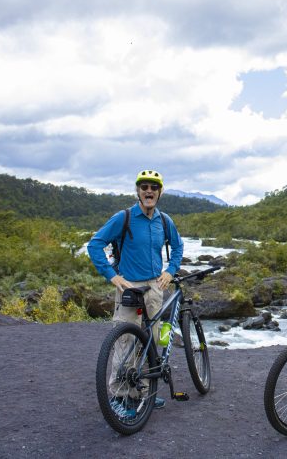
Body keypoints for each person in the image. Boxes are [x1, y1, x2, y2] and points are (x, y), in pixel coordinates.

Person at [88, 169, 184, 412]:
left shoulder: (164, 221)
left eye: (154, 187)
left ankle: (143, 392)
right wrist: (112, 276)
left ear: (160, 192)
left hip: (155, 287)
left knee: (148, 342)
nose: (149, 191)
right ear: (138, 191)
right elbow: (95, 244)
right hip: (130, 287)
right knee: (125, 342)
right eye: (144, 187)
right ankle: (120, 397)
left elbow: (178, 246)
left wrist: (170, 270)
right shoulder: (125, 217)